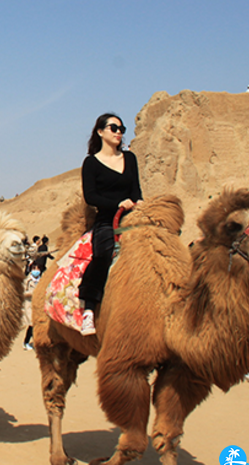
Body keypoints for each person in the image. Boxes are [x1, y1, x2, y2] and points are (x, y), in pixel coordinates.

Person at [78, 113, 143, 336]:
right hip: (107, 220)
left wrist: (137, 203)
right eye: (113, 127)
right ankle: (88, 310)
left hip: (133, 217)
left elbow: (136, 190)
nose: (118, 132)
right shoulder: (91, 163)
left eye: (121, 128)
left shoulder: (130, 158)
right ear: (100, 131)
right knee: (103, 254)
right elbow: (91, 196)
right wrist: (118, 203)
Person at [22, 267, 41, 350]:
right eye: (34, 269)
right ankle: (26, 342)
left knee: (37, 325)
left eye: (38, 269)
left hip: (38, 305)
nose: (36, 271)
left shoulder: (41, 280)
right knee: (32, 324)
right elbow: (22, 292)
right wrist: (32, 293)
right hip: (29, 304)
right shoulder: (27, 280)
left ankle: (36, 343)